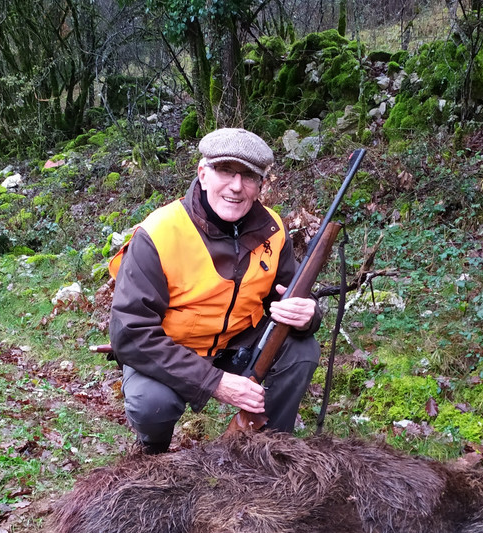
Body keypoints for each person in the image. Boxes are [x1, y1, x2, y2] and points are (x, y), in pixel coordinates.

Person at [108, 127, 322, 454]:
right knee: (151, 404)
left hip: (238, 341)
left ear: (261, 186)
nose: (236, 187)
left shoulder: (273, 230)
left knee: (302, 350)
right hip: (171, 349)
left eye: (249, 176)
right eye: (225, 171)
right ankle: (152, 457)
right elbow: (131, 333)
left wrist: (308, 314)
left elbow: (288, 297)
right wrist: (216, 384)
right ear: (203, 174)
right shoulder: (160, 232)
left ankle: (271, 449)